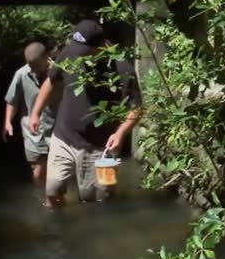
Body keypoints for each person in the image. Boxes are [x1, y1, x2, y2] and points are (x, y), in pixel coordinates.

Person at [29, 20, 142, 208]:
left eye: (84, 51)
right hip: (64, 136)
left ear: (100, 47)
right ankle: (58, 229)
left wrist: (120, 133)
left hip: (98, 146)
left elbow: (137, 108)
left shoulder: (123, 69)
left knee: (95, 201)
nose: (78, 55)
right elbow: (51, 81)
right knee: (52, 192)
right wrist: (36, 112)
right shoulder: (70, 54)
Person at [3, 41, 60, 191]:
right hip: (34, 132)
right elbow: (12, 100)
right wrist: (8, 122)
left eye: (36, 64)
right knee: (38, 170)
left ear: (46, 57)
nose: (33, 68)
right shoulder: (21, 74)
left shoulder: (60, 72)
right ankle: (41, 196)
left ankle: (56, 195)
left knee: (59, 169)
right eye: (30, 65)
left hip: (57, 128)